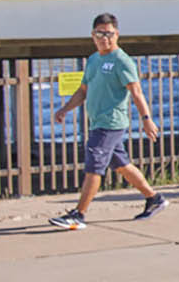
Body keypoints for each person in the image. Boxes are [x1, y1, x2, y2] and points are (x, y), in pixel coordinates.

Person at [48, 13, 167, 228]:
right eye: (100, 34)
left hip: (110, 124)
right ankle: (154, 198)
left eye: (109, 34)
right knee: (121, 165)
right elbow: (83, 90)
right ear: (93, 35)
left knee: (94, 166)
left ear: (117, 34)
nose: (105, 38)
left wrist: (147, 119)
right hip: (97, 121)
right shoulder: (93, 60)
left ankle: (79, 214)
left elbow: (137, 92)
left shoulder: (122, 61)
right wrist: (65, 109)